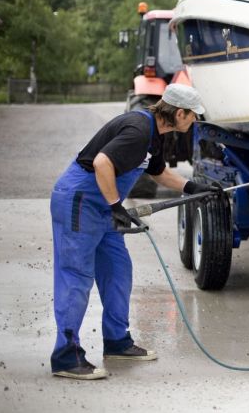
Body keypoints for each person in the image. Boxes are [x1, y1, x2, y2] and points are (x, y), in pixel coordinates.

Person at [49, 83, 220, 380]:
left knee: (118, 270)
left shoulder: (155, 135)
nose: (194, 122)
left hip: (103, 207)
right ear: (179, 113)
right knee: (76, 275)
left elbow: (158, 172)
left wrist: (193, 187)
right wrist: (117, 205)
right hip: (80, 201)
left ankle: (116, 341)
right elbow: (102, 163)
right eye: (193, 116)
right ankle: (66, 355)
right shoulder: (138, 130)